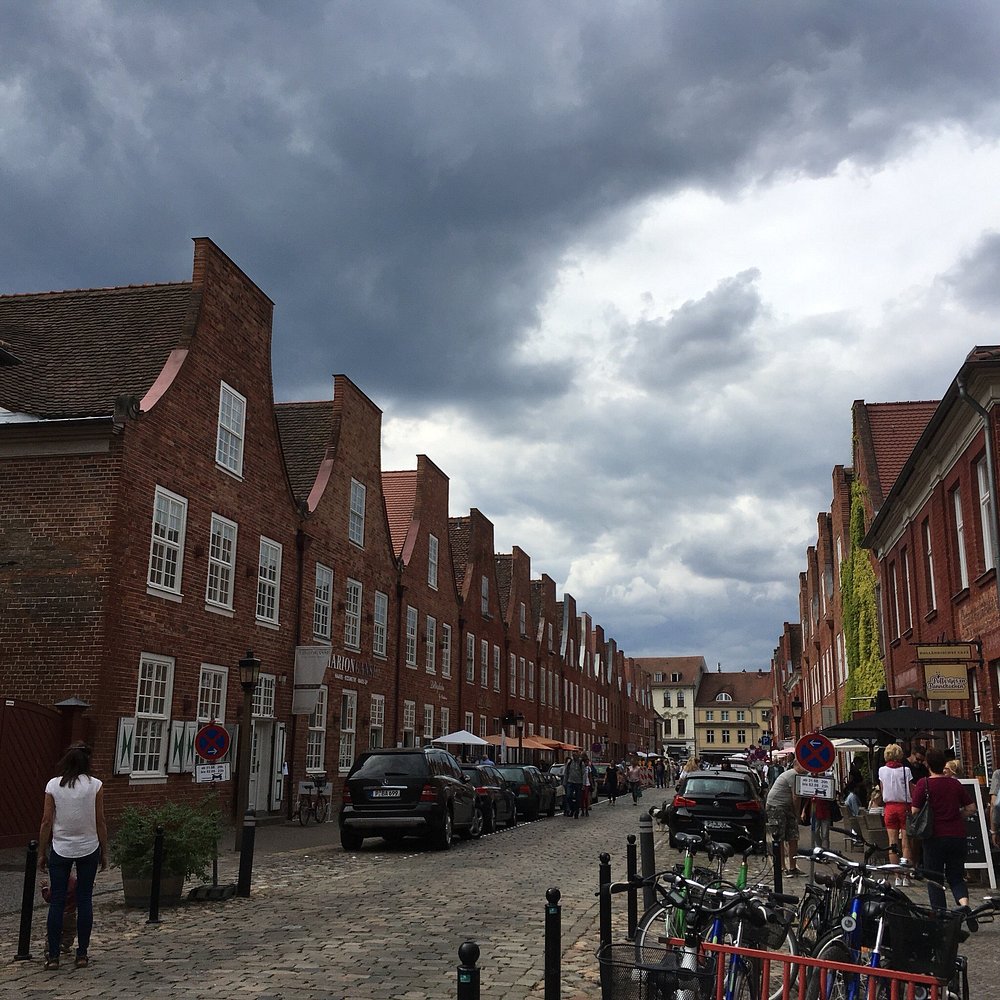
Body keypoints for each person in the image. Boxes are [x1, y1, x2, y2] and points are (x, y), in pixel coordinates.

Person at [37, 742, 108, 970]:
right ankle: (82, 954)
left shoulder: (53, 785)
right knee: (85, 899)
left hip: (61, 847)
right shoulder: (95, 785)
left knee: (57, 901)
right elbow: (100, 820)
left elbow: (46, 821)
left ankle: (54, 956)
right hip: (89, 846)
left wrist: (41, 852)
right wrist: (104, 851)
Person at [911, 747, 978, 928]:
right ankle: (965, 906)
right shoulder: (954, 784)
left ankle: (940, 917)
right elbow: (971, 807)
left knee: (935, 878)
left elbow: (915, 811)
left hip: (934, 837)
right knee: (956, 876)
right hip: (957, 835)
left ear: (927, 764)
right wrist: (957, 816)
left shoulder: (923, 784)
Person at [878, 743, 915, 884]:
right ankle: (906, 876)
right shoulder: (906, 770)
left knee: (892, 843)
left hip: (889, 807)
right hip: (904, 807)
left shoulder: (882, 771)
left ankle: (897, 877)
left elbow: (882, 790)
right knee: (906, 844)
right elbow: (911, 791)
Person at [766, 760, 806, 876]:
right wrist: (797, 815)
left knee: (793, 837)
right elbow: (796, 797)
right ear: (796, 765)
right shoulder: (793, 775)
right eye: (803, 765)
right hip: (776, 807)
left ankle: (793, 867)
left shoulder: (799, 776)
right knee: (779, 837)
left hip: (786, 807)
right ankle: (781, 867)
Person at [564, 751, 585, 818]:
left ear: (578, 756)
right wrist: (565, 782)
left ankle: (576, 811)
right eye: (573, 755)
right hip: (570, 782)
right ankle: (572, 809)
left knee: (578, 798)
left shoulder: (581, 763)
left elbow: (584, 774)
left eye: (576, 755)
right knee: (568, 796)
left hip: (579, 783)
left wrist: (583, 784)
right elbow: (566, 773)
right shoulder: (569, 763)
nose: (574, 756)